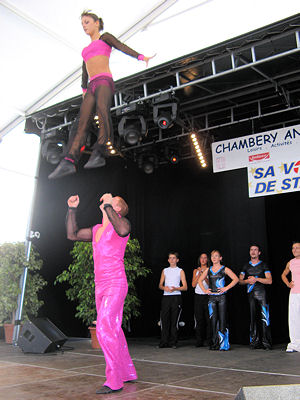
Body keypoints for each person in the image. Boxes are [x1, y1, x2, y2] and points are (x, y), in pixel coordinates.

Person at [49, 10, 154, 179]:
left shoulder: (105, 38)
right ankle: (68, 160)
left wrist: (140, 56)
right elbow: (85, 71)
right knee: (81, 122)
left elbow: (121, 46)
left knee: (102, 111)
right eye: (82, 23)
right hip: (91, 86)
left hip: (104, 80)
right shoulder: (85, 50)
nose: (84, 26)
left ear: (97, 23)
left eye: (87, 22)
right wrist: (84, 90)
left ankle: (99, 152)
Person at [66, 192, 137, 394]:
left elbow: (122, 230)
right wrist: (72, 209)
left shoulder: (122, 225)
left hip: (115, 283)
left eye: (112, 202)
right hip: (100, 285)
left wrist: (107, 205)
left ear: (117, 210)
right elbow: (72, 234)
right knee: (113, 328)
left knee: (104, 328)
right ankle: (128, 372)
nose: (107, 202)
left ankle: (114, 380)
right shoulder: (97, 229)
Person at [198, 250, 238, 351]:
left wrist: (226, 288)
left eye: (216, 256)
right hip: (211, 298)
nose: (214, 258)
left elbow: (236, 279)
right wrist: (205, 290)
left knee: (222, 320)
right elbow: (199, 280)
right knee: (213, 321)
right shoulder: (208, 269)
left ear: (220, 258)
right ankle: (215, 343)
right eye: (212, 256)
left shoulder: (224, 269)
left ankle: (223, 344)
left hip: (221, 298)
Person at [239, 244, 272, 350]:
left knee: (264, 318)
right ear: (249, 252)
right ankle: (254, 342)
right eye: (251, 250)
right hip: (251, 295)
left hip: (262, 294)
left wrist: (256, 279)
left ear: (259, 253)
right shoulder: (245, 266)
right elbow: (240, 281)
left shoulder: (263, 265)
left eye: (255, 250)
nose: (253, 252)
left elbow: (269, 280)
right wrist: (247, 281)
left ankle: (266, 343)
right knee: (253, 318)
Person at [158, 252, 187, 348]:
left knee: (174, 320)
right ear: (168, 260)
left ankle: (173, 342)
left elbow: (185, 287)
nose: (172, 260)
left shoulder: (180, 271)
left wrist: (176, 289)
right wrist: (164, 288)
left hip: (176, 297)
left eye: (174, 258)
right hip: (166, 297)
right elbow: (160, 285)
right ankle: (164, 342)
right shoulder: (165, 270)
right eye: (170, 258)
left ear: (177, 260)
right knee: (164, 320)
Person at [281, 241, 300, 352]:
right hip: (294, 294)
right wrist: (288, 283)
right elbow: (283, 274)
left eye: (297, 248)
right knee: (293, 319)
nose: (295, 250)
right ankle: (294, 344)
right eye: (293, 248)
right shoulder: (291, 262)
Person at [191, 253, 211, 347]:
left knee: (208, 319)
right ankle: (199, 340)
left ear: (207, 260)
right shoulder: (196, 270)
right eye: (201, 258)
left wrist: (204, 274)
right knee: (199, 319)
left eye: (205, 258)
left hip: (207, 296)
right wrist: (199, 274)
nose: (203, 260)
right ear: (199, 260)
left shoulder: (210, 270)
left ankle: (209, 340)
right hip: (198, 296)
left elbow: (210, 284)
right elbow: (193, 285)